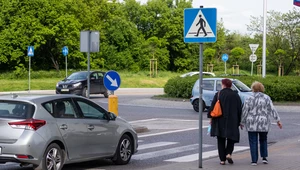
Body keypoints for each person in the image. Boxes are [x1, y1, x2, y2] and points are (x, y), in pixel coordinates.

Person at [241, 81, 282, 166]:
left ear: (253, 88)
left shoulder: (249, 98)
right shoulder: (266, 98)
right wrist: (277, 120)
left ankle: (254, 160)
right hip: (264, 122)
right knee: (263, 139)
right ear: (262, 88)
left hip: (251, 123)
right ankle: (264, 158)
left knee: (253, 141)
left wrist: (242, 122)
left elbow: (245, 111)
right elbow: (272, 109)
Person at [207, 78, 242, 165]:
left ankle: (222, 160)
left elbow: (212, 107)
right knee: (231, 138)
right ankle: (228, 153)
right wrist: (240, 121)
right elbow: (239, 109)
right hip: (232, 121)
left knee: (220, 139)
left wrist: (210, 119)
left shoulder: (218, 94)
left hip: (219, 120)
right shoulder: (236, 95)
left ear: (223, 85)